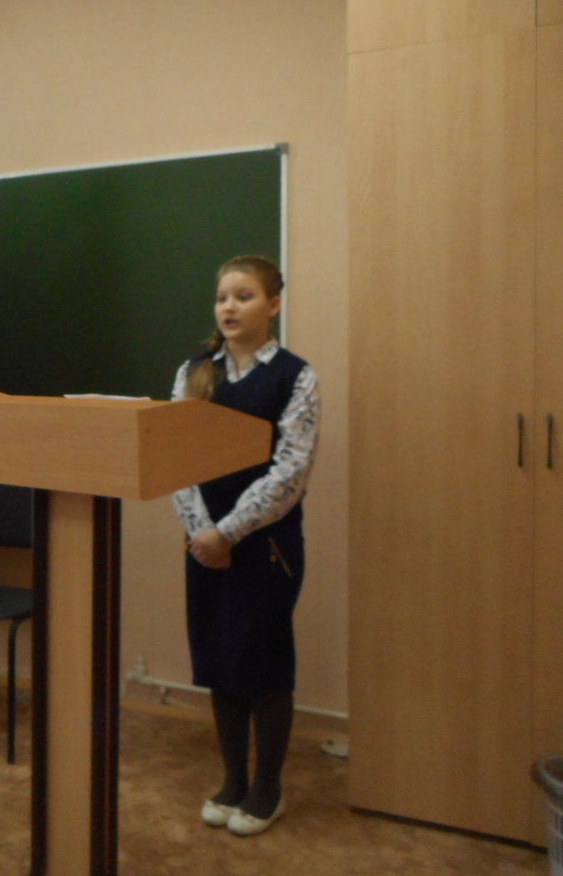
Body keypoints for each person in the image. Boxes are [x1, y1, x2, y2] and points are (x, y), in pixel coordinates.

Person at [169, 254, 320, 837]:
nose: (228, 307)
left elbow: (291, 471)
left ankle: (267, 790)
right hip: (203, 542)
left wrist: (227, 533)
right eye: (222, 298)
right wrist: (201, 534)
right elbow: (173, 455)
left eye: (243, 296)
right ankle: (233, 780)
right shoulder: (194, 372)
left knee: (263, 662)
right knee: (219, 657)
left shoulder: (296, 377)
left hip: (266, 546)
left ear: (273, 305)